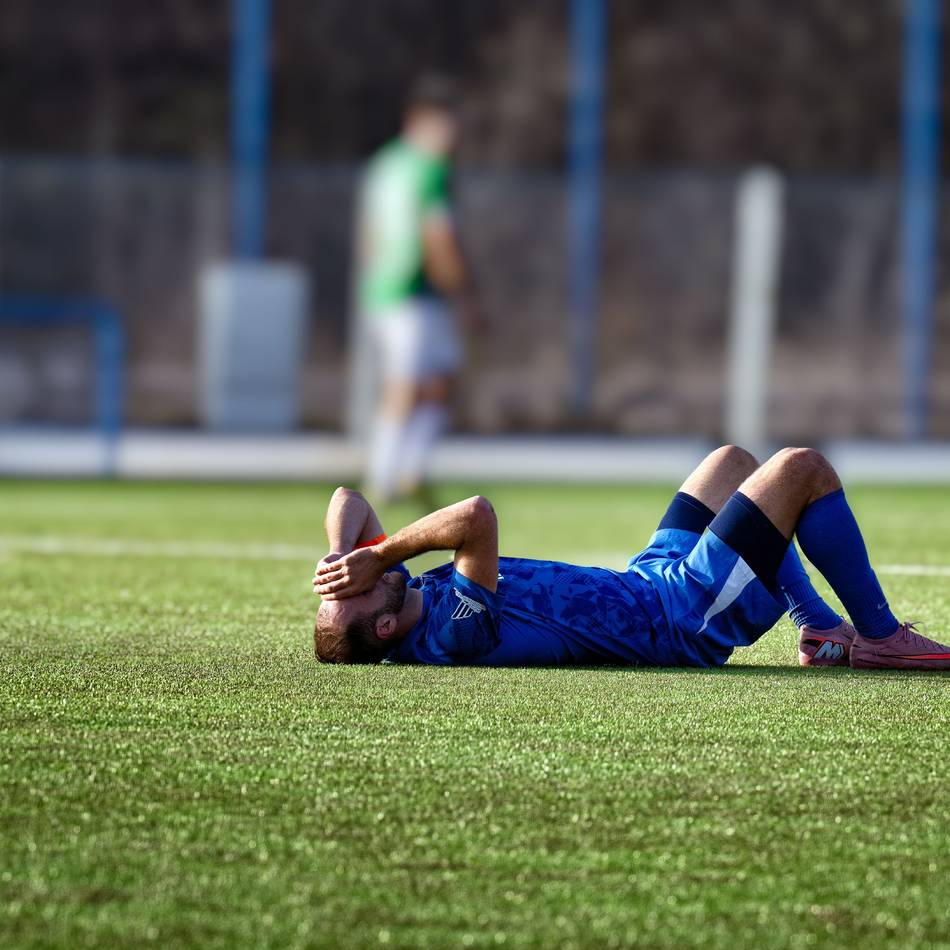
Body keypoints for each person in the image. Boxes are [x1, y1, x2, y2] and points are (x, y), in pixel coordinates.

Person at [313, 445, 950, 669]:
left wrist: (345, 552)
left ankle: (816, 626)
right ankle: (879, 637)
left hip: (650, 579)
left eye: (338, 582)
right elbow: (476, 516)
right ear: (386, 628)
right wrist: (384, 552)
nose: (355, 578)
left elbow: (349, 498)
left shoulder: (400, 592)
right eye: (352, 592)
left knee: (732, 461)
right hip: (678, 620)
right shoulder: (452, 633)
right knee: (801, 468)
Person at [354, 74, 480, 505]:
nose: (451, 138)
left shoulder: (385, 164)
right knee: (406, 384)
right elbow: (437, 236)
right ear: (420, 122)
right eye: (444, 127)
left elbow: (369, 230)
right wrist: (463, 295)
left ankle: (410, 471)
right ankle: (383, 476)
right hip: (413, 289)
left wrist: (374, 275)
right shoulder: (429, 170)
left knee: (440, 378)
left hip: (385, 288)